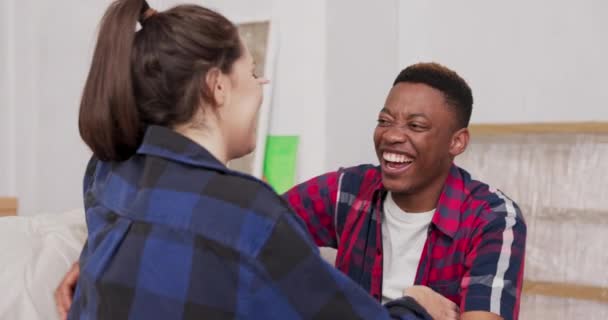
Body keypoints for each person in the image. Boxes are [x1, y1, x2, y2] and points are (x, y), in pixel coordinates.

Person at [60, 0, 431, 319]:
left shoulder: (107, 171)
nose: (260, 86)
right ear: (216, 86)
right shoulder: (247, 212)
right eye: (253, 72)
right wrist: (416, 306)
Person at [284, 63, 527, 320]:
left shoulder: (493, 218)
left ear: (456, 142)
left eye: (416, 126)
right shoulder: (349, 191)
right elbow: (255, 231)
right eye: (384, 121)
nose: (392, 136)